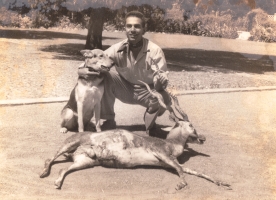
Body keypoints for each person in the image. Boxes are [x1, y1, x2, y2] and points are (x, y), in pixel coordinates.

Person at [78, 11, 171, 134]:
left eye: (137, 26)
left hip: (147, 93)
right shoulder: (117, 48)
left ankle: (150, 124)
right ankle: (109, 120)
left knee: (163, 96)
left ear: (144, 29)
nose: (132, 30)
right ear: (125, 29)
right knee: (105, 74)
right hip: (125, 89)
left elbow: (160, 85)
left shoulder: (155, 51)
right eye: (129, 26)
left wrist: (161, 82)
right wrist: (81, 70)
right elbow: (97, 59)